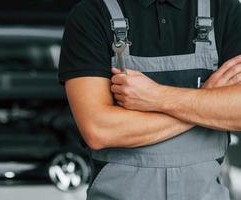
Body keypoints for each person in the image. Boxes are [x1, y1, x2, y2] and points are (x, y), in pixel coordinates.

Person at [58, 0, 241, 199]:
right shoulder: (91, 15)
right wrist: (207, 102)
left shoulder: (225, 10)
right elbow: (98, 130)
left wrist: (157, 97)